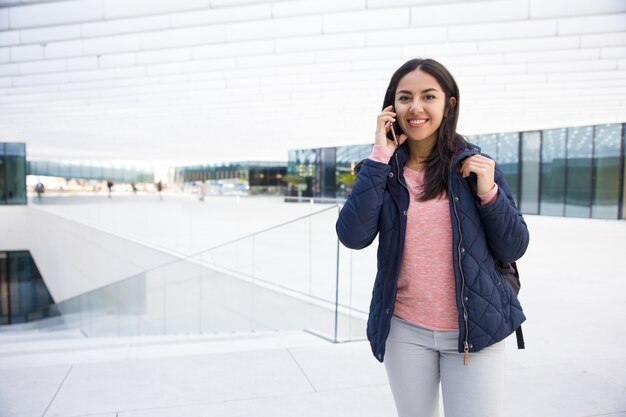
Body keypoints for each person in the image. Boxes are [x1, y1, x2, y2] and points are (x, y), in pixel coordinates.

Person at [336, 58, 529, 417]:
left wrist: (488, 193)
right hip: (405, 331)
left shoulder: (477, 168)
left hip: (476, 330)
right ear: (391, 108)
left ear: (449, 104)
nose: (416, 107)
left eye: (428, 96)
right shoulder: (382, 171)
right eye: (405, 97)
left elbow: (513, 246)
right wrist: (380, 156)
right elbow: (353, 236)